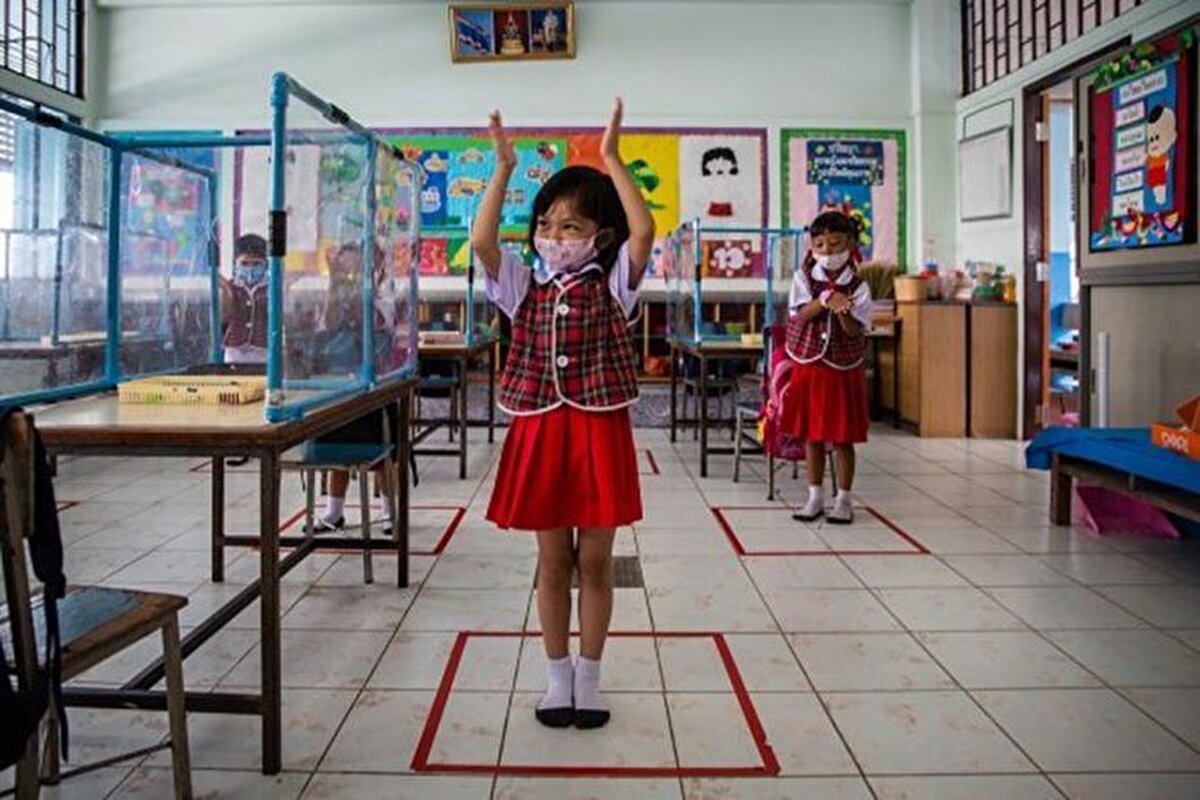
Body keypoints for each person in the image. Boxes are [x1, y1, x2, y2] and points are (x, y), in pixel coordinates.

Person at [471, 99, 654, 729]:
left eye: (570, 227)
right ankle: (556, 678)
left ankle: (591, 677)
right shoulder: (524, 284)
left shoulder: (617, 283)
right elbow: (482, 241)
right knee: (551, 562)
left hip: (600, 427)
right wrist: (502, 168)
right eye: (546, 225)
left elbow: (645, 230)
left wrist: (610, 158)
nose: (554, 237)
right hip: (542, 426)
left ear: (600, 236)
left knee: (596, 563)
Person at [783, 210, 873, 525]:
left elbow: (853, 329)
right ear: (811, 247)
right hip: (810, 366)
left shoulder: (859, 285)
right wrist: (824, 301)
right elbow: (801, 314)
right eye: (820, 245)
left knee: (842, 437)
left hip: (843, 369)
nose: (828, 252)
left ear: (849, 243)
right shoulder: (802, 277)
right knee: (813, 435)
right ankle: (814, 497)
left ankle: (844, 499)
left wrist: (842, 306)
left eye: (835, 244)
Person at [219, 234, 270, 365]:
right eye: (245, 263)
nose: (250, 269)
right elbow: (224, 317)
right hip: (234, 350)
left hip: (263, 350)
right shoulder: (230, 287)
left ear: (266, 265)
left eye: (256, 264)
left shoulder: (271, 288)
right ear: (235, 264)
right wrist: (226, 290)